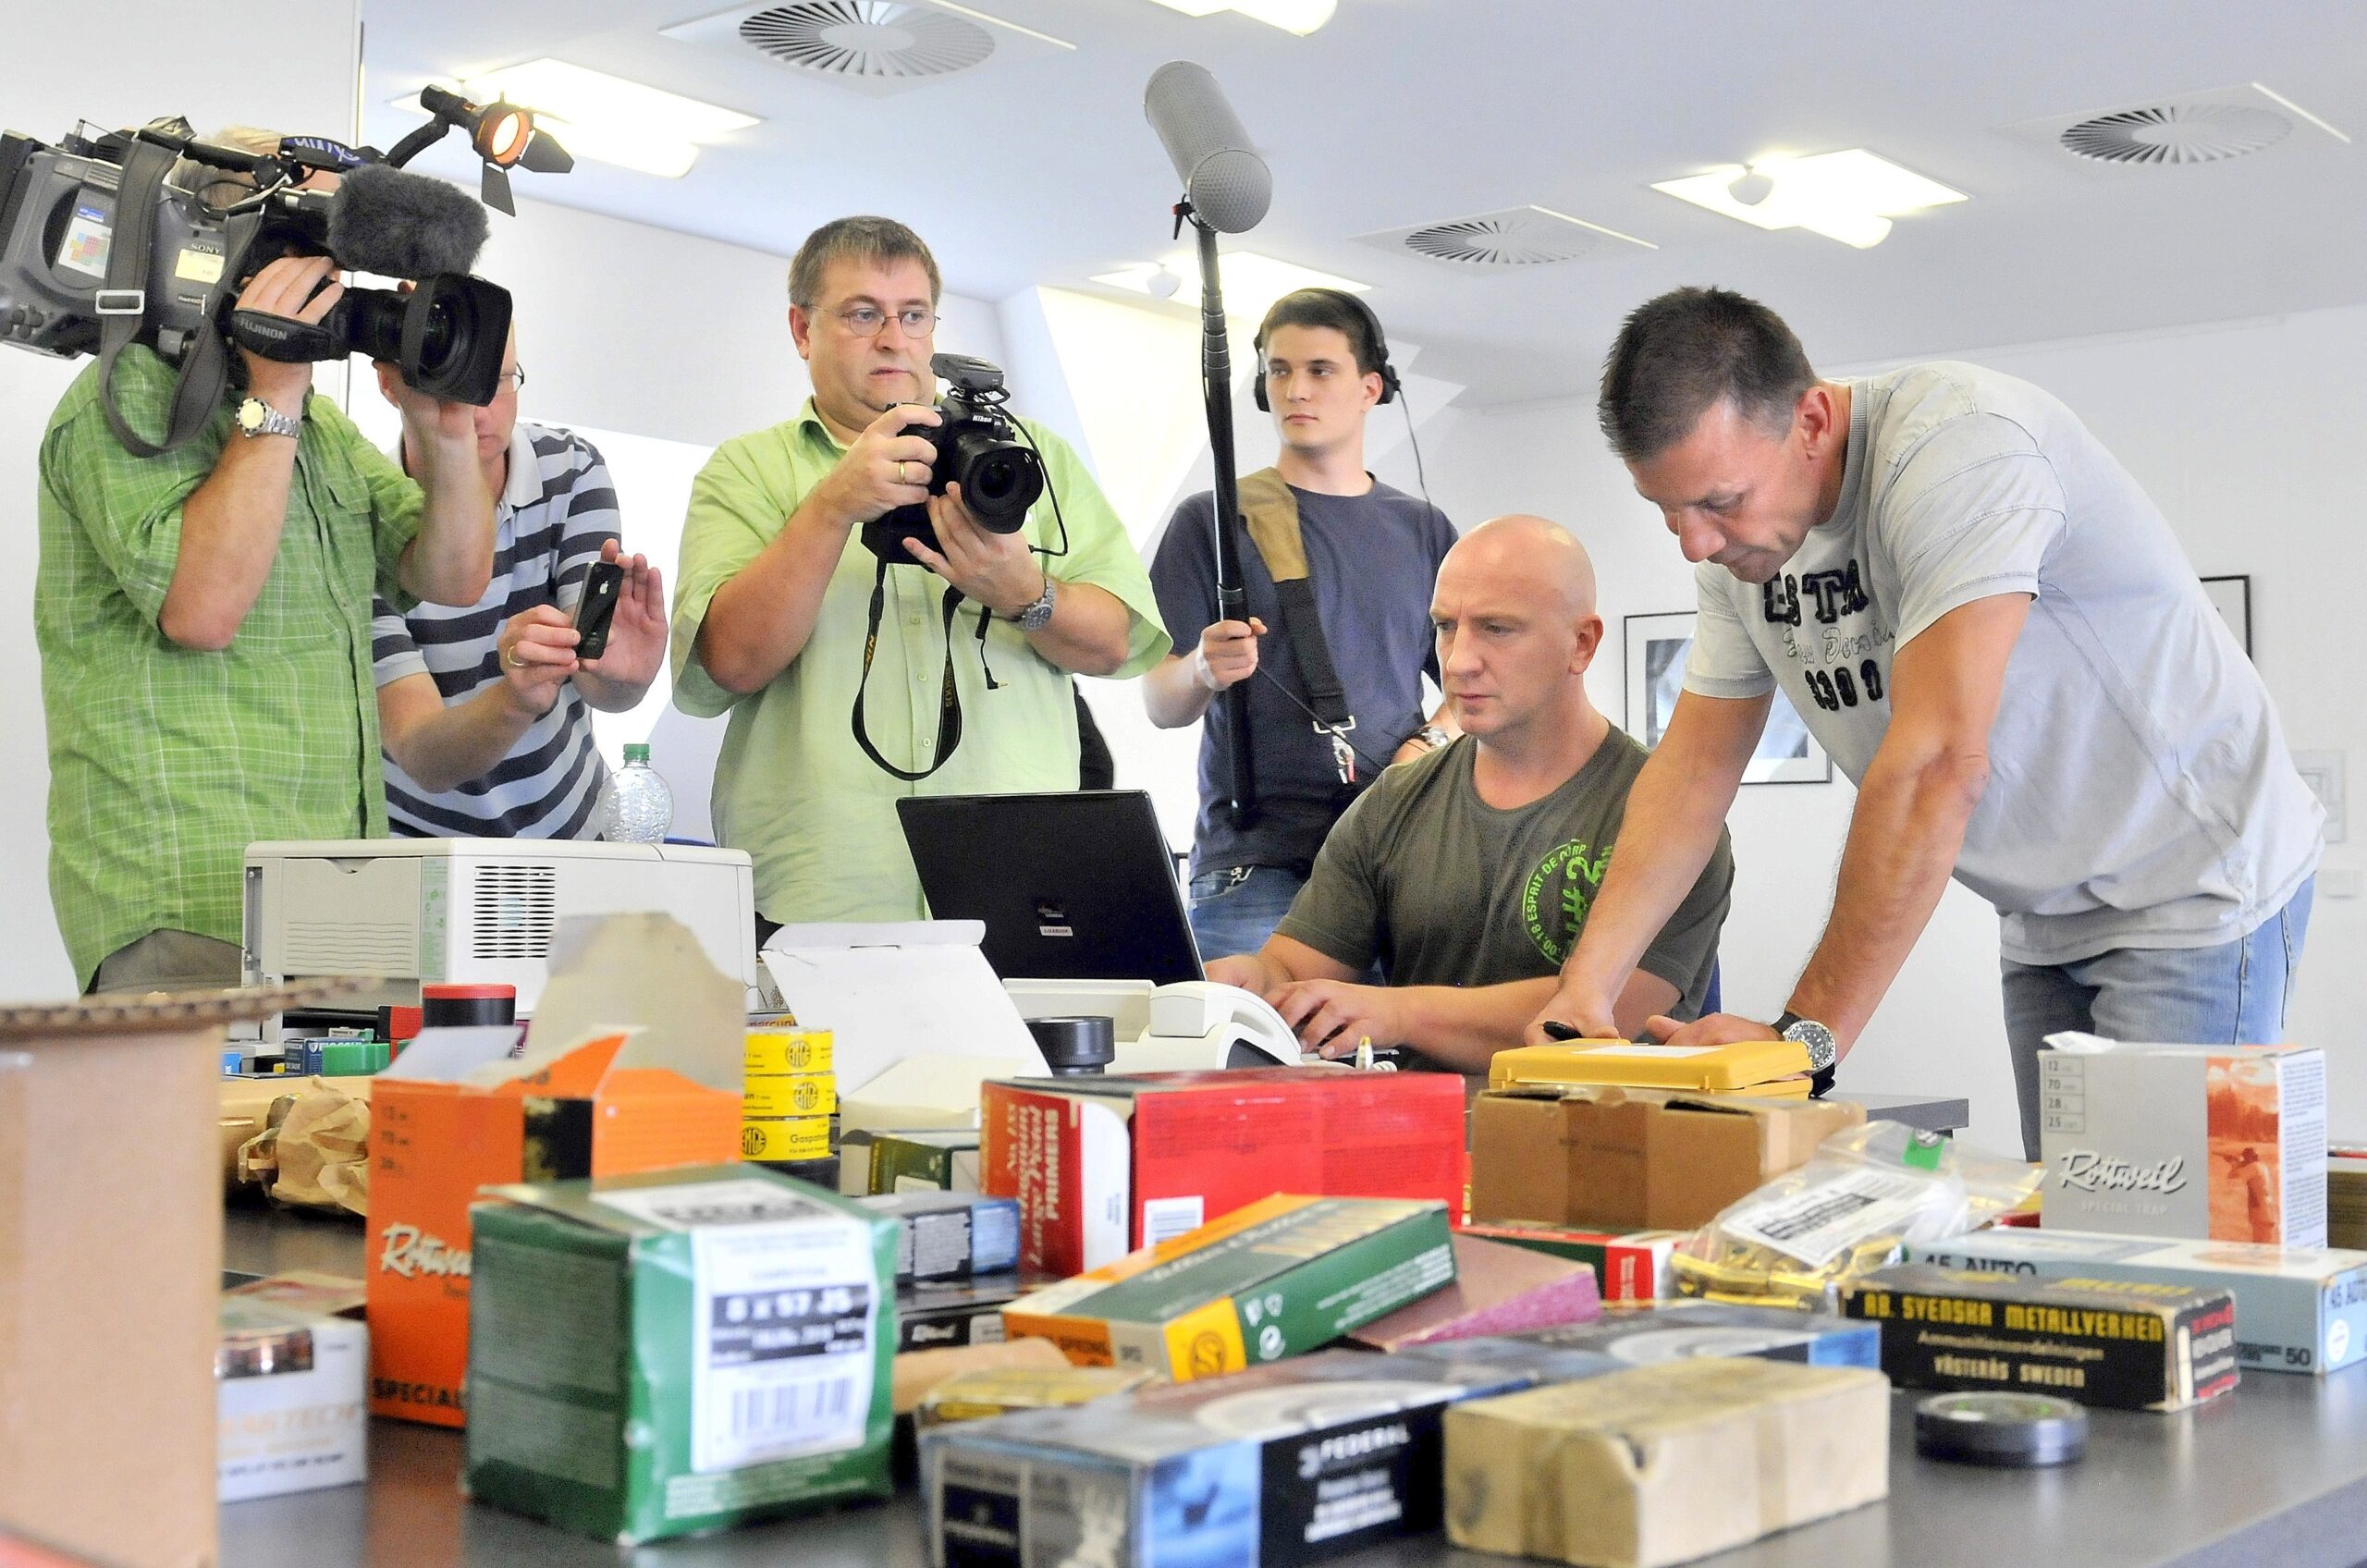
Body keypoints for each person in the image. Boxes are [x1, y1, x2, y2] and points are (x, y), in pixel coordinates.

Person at [1531, 286, 2322, 1154]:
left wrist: (1804, 1042)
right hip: (2044, 912)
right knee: (2072, 1208)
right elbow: (1690, 776)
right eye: (1667, 512)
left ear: (1811, 420)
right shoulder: (1740, 552)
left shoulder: (1959, 450)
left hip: (2193, 884)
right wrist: (1585, 992)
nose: (1695, 544)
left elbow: (1938, 762)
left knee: (2156, 1231)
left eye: (1718, 501)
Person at [669, 216, 1169, 934]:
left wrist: (1026, 595)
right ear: (801, 330)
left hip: (1018, 882)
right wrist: (833, 505)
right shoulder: (746, 471)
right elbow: (730, 662)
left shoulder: (1032, 459)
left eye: (912, 315)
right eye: (862, 314)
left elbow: (1117, 644)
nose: (892, 339)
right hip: (819, 888)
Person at [38, 246, 492, 993]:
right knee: (202, 1118)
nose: (328, 289)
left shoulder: (322, 428)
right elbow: (202, 611)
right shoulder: (122, 395)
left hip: (337, 907)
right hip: (190, 898)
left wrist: (440, 428)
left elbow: (451, 575)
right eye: (305, 262)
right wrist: (274, 394)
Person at [1205, 516, 1732, 1073]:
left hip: (1600, 1140)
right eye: (1445, 627)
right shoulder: (1393, 804)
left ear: (1581, 644)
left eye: (1496, 629)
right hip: (1422, 1140)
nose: (1456, 662)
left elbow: (1606, 1017)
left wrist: (1399, 1013)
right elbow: (1293, 970)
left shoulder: (1673, 821)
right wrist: (1253, 984)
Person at [1146, 289, 1458, 960]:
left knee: (1392, 1064)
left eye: (1320, 370)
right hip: (1254, 869)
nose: (1295, 389)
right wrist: (1201, 669)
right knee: (1247, 1060)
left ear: (1371, 387)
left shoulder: (1425, 531)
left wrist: (1426, 744)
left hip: (1392, 860)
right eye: (1279, 371)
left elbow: (1478, 682)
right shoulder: (1213, 521)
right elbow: (1159, 702)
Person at [370, 332, 667, 837]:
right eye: (452, 389)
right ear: (390, 383)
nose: (478, 410)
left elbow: (601, 678)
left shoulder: (570, 468)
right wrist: (515, 698)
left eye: (501, 380)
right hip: (426, 855)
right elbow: (422, 753)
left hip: (571, 834)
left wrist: (626, 676)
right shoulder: (364, 512)